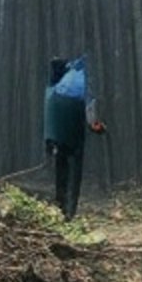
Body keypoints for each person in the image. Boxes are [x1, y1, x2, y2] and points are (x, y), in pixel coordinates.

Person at [43, 55, 106, 219]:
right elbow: (90, 109)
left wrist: (49, 141)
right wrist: (96, 127)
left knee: (61, 172)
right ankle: (70, 212)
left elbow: (48, 118)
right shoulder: (81, 82)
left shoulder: (52, 89)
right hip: (74, 134)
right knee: (75, 174)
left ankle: (61, 209)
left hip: (56, 138)